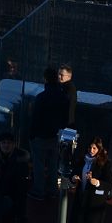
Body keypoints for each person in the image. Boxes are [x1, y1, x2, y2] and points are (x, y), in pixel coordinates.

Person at [29, 66, 70, 200]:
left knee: (39, 164)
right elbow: (65, 116)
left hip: (41, 135)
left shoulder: (42, 97)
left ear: (45, 79)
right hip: (55, 135)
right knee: (53, 164)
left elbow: (36, 118)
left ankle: (39, 190)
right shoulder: (63, 96)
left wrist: (32, 134)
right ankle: (52, 190)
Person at [0, 130, 31, 223]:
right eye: (3, 142)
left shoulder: (21, 163)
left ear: (13, 145)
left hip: (13, 206)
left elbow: (22, 191)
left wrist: (20, 215)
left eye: (9, 143)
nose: (6, 145)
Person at [59, 63, 78, 128]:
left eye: (62, 75)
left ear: (69, 76)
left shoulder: (69, 89)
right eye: (58, 74)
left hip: (65, 126)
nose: (59, 76)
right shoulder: (64, 87)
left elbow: (67, 108)